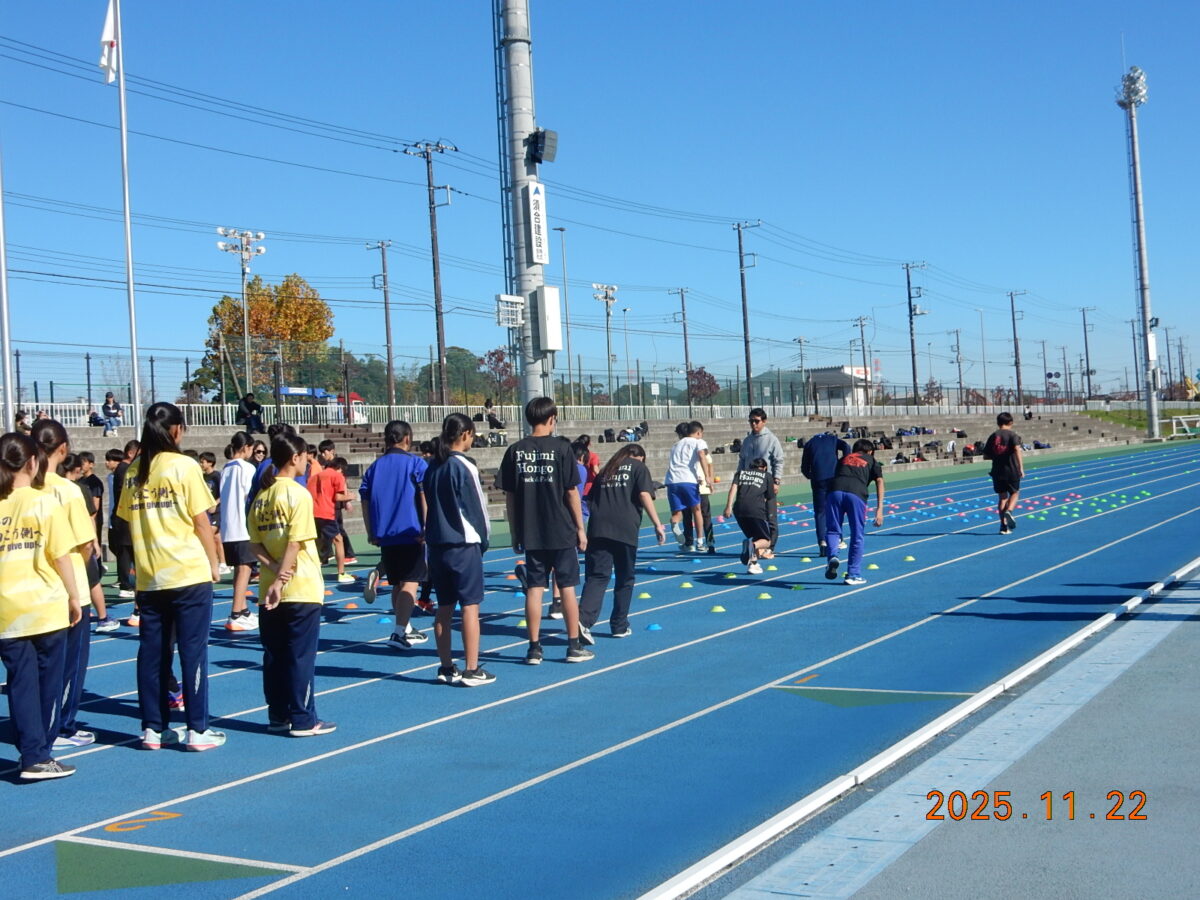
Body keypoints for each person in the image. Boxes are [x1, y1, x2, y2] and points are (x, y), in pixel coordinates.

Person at [116, 402, 225, 751]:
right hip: (187, 572)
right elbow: (201, 521)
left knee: (153, 654)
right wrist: (214, 564)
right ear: (176, 429)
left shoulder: (134, 471)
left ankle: (153, 727)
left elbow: (128, 520)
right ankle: (197, 729)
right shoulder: (183, 466)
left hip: (151, 575)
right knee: (193, 652)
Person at [0, 432, 84, 780]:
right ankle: (40, 752)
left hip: (7, 608)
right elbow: (61, 556)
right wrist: (75, 597)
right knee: (48, 683)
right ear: (33, 463)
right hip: (45, 605)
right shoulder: (44, 502)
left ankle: (30, 750)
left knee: (20, 682)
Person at [248, 433, 336, 736]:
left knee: (274, 656)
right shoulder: (298, 494)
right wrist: (282, 576)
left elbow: (254, 543)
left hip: (268, 590)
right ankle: (303, 718)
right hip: (299, 587)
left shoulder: (262, 497)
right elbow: (296, 542)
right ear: (295, 458)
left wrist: (273, 571)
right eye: (305, 457)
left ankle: (278, 715)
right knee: (300, 656)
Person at [498, 396, 593, 665]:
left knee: (535, 589)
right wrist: (581, 529)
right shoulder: (562, 448)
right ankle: (573, 646)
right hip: (561, 529)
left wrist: (515, 531)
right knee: (567, 588)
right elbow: (571, 492)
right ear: (552, 418)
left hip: (531, 530)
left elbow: (510, 497)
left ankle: (534, 648)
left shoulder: (515, 450)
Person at [30, 420, 100, 750]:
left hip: (34, 584)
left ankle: (36, 725)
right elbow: (85, 544)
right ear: (63, 449)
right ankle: (62, 726)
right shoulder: (69, 491)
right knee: (71, 664)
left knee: (37, 666)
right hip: (70, 588)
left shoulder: (21, 488)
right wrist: (78, 578)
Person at [424, 413, 494, 686]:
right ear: (465, 434)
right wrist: (484, 540)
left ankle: (446, 667)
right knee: (469, 607)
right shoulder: (464, 466)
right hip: (463, 544)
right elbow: (477, 508)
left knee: (444, 607)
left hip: (437, 544)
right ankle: (472, 669)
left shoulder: (433, 466)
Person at [578, 444, 666, 641]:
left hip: (599, 528)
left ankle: (583, 620)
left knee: (597, 576)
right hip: (625, 528)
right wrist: (657, 524)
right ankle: (619, 625)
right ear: (638, 457)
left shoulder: (605, 470)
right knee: (625, 578)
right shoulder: (638, 467)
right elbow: (644, 494)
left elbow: (590, 499)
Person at [359, 420, 429, 650]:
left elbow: (365, 500)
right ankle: (399, 632)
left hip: (386, 534)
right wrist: (426, 526)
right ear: (407, 438)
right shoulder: (416, 463)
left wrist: (371, 530)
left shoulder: (374, 467)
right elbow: (423, 495)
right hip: (411, 532)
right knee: (410, 583)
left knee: (397, 583)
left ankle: (405, 627)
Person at [823, 439, 885, 586]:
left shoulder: (844, 458)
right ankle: (853, 574)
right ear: (870, 451)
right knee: (857, 534)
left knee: (833, 530)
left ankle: (833, 556)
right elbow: (879, 481)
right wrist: (879, 509)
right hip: (856, 494)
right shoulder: (871, 460)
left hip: (834, 491)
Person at [219, 431, 259, 632]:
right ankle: (235, 613)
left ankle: (243, 610)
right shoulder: (247, 468)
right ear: (246, 448)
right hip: (242, 526)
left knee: (239, 569)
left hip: (228, 527)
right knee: (245, 569)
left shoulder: (225, 468)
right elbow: (250, 496)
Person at [737, 408, 785, 551]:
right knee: (752, 516)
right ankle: (758, 544)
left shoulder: (772, 439)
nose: (753, 424)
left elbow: (778, 461)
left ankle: (770, 547)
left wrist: (776, 481)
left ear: (764, 421)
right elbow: (742, 461)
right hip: (749, 486)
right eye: (751, 421)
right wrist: (739, 480)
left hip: (766, 484)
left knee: (770, 517)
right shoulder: (747, 441)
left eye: (756, 421)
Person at [664, 420, 714, 553]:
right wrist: (707, 477)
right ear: (698, 433)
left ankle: (674, 523)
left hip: (672, 481)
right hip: (688, 480)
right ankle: (700, 542)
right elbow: (702, 455)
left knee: (677, 513)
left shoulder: (675, 445)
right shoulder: (698, 442)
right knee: (697, 510)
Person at [801, 429, 850, 558]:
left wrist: (811, 476)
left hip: (818, 479)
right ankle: (838, 538)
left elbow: (804, 467)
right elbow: (846, 446)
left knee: (820, 512)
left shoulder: (810, 443)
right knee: (836, 509)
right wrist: (844, 462)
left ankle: (822, 542)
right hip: (834, 477)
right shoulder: (833, 440)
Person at [723, 457, 775, 575]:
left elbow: (733, 489)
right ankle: (752, 546)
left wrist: (728, 506)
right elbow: (770, 497)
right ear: (764, 468)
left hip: (739, 510)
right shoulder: (767, 476)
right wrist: (769, 514)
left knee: (754, 537)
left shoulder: (741, 473)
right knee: (766, 541)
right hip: (756, 510)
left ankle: (753, 564)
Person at [105, 445, 137, 603]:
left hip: (121, 515)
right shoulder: (125, 469)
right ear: (131, 453)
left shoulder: (121, 470)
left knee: (125, 551)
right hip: (124, 515)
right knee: (125, 551)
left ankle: (126, 582)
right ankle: (126, 585)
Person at [984, 412, 1025, 535]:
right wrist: (1021, 468)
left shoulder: (993, 436)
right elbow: (1017, 450)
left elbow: (986, 455)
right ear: (1011, 422)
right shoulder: (1013, 435)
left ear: (998, 423)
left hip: (997, 471)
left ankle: (1003, 526)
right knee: (1015, 493)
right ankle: (1009, 511)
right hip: (1012, 469)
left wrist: (997, 456)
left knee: (1002, 498)